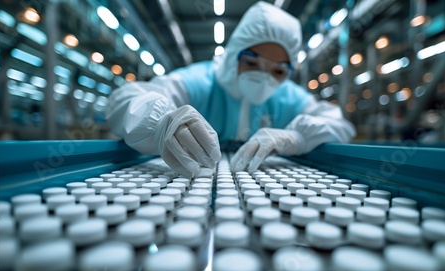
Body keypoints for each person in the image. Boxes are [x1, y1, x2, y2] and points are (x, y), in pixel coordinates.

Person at [106, 1, 355, 178]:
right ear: (235, 53)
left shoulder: (287, 96)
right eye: (253, 62)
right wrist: (160, 122)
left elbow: (339, 125)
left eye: (278, 70)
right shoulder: (198, 82)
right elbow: (124, 99)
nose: (264, 76)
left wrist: (297, 138)